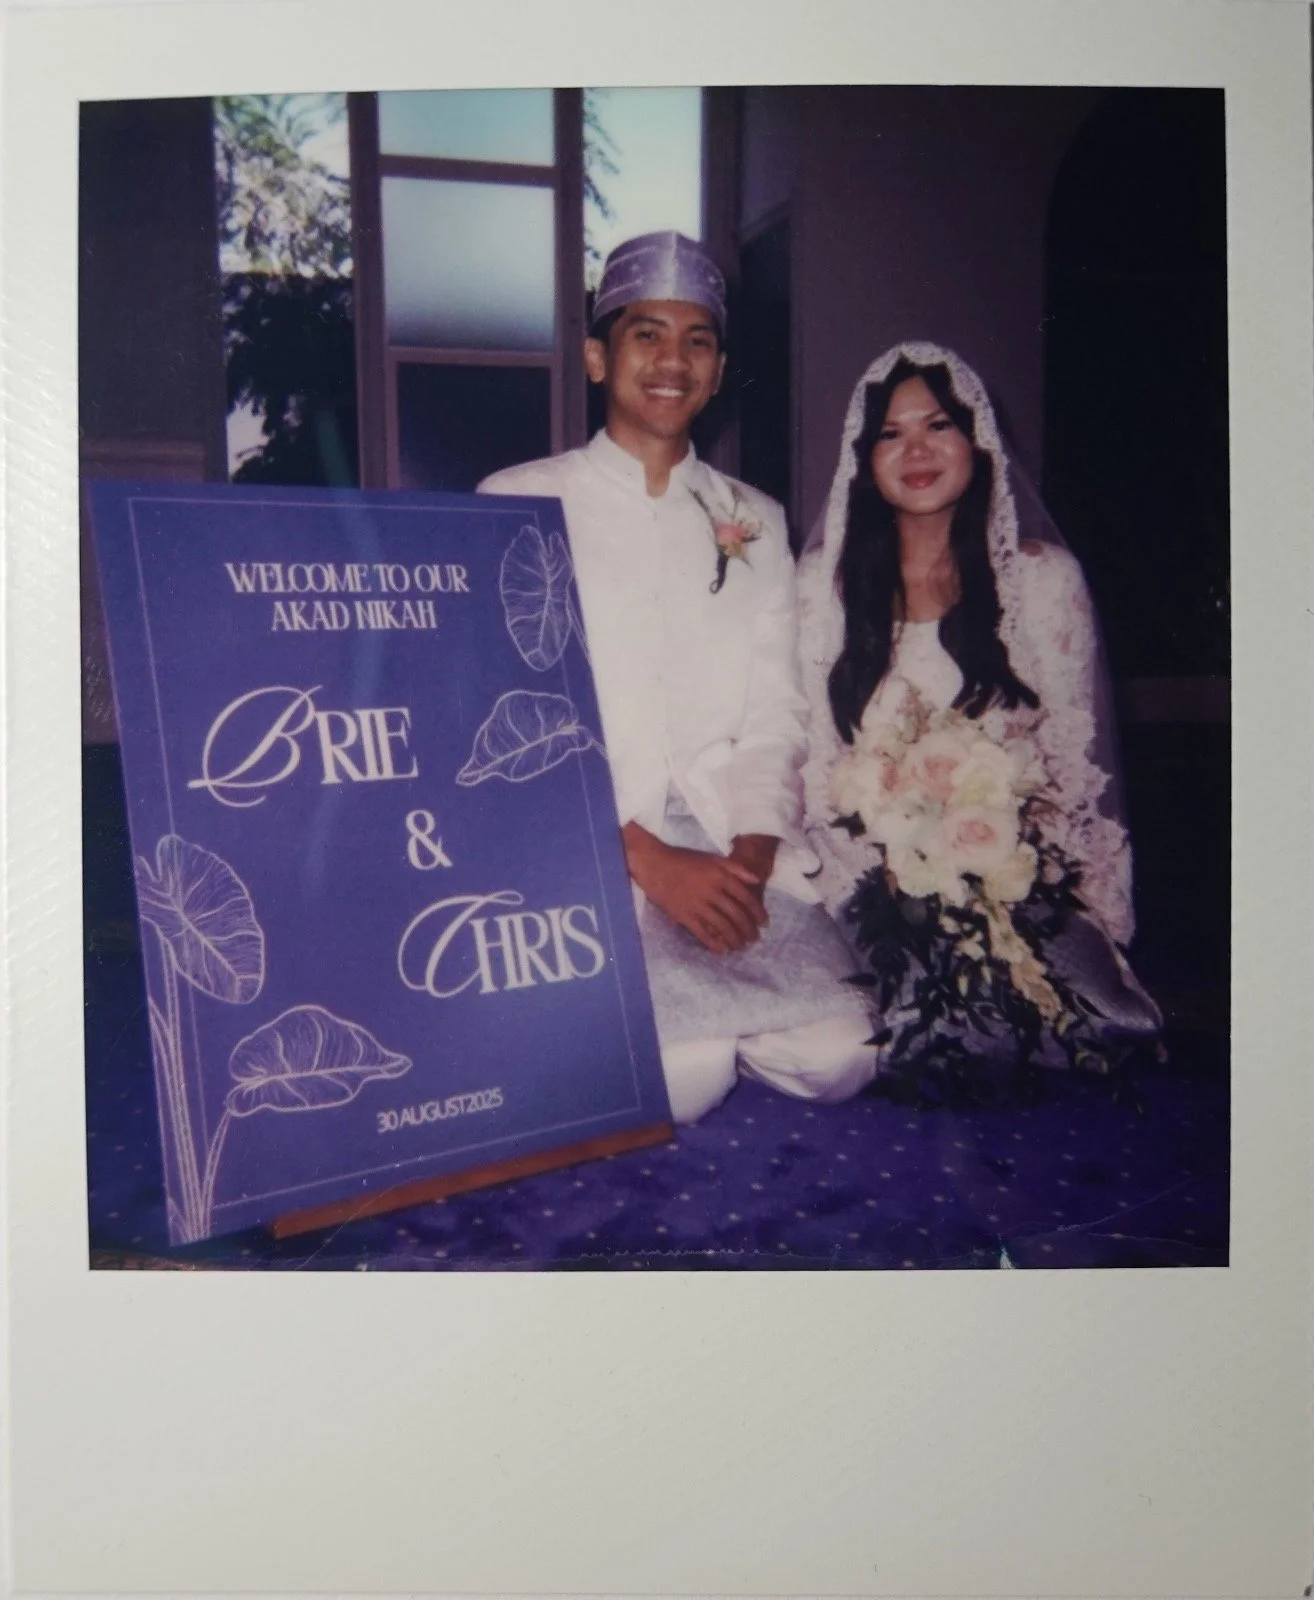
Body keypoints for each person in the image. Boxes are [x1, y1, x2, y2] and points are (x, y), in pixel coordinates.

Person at [479, 231, 874, 1124]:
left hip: (725, 827)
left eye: (697, 340)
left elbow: (777, 713)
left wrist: (749, 857)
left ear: (719, 367)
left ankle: (703, 1017)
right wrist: (651, 861)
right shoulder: (515, 501)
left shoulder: (757, 521)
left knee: (848, 1058)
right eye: (645, 335)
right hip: (588, 838)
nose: (672, 361)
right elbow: (506, 714)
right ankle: (682, 1026)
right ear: (597, 356)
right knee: (685, 1080)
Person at [797, 341, 1160, 1067]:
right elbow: (813, 769)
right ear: (863, 460)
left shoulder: (1044, 584)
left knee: (1098, 1031)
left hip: (1015, 879)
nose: (917, 451)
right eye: (891, 435)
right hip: (869, 889)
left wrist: (1003, 876)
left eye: (938, 426)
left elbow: (1071, 767)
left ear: (977, 438)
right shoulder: (820, 591)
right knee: (899, 1036)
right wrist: (898, 877)